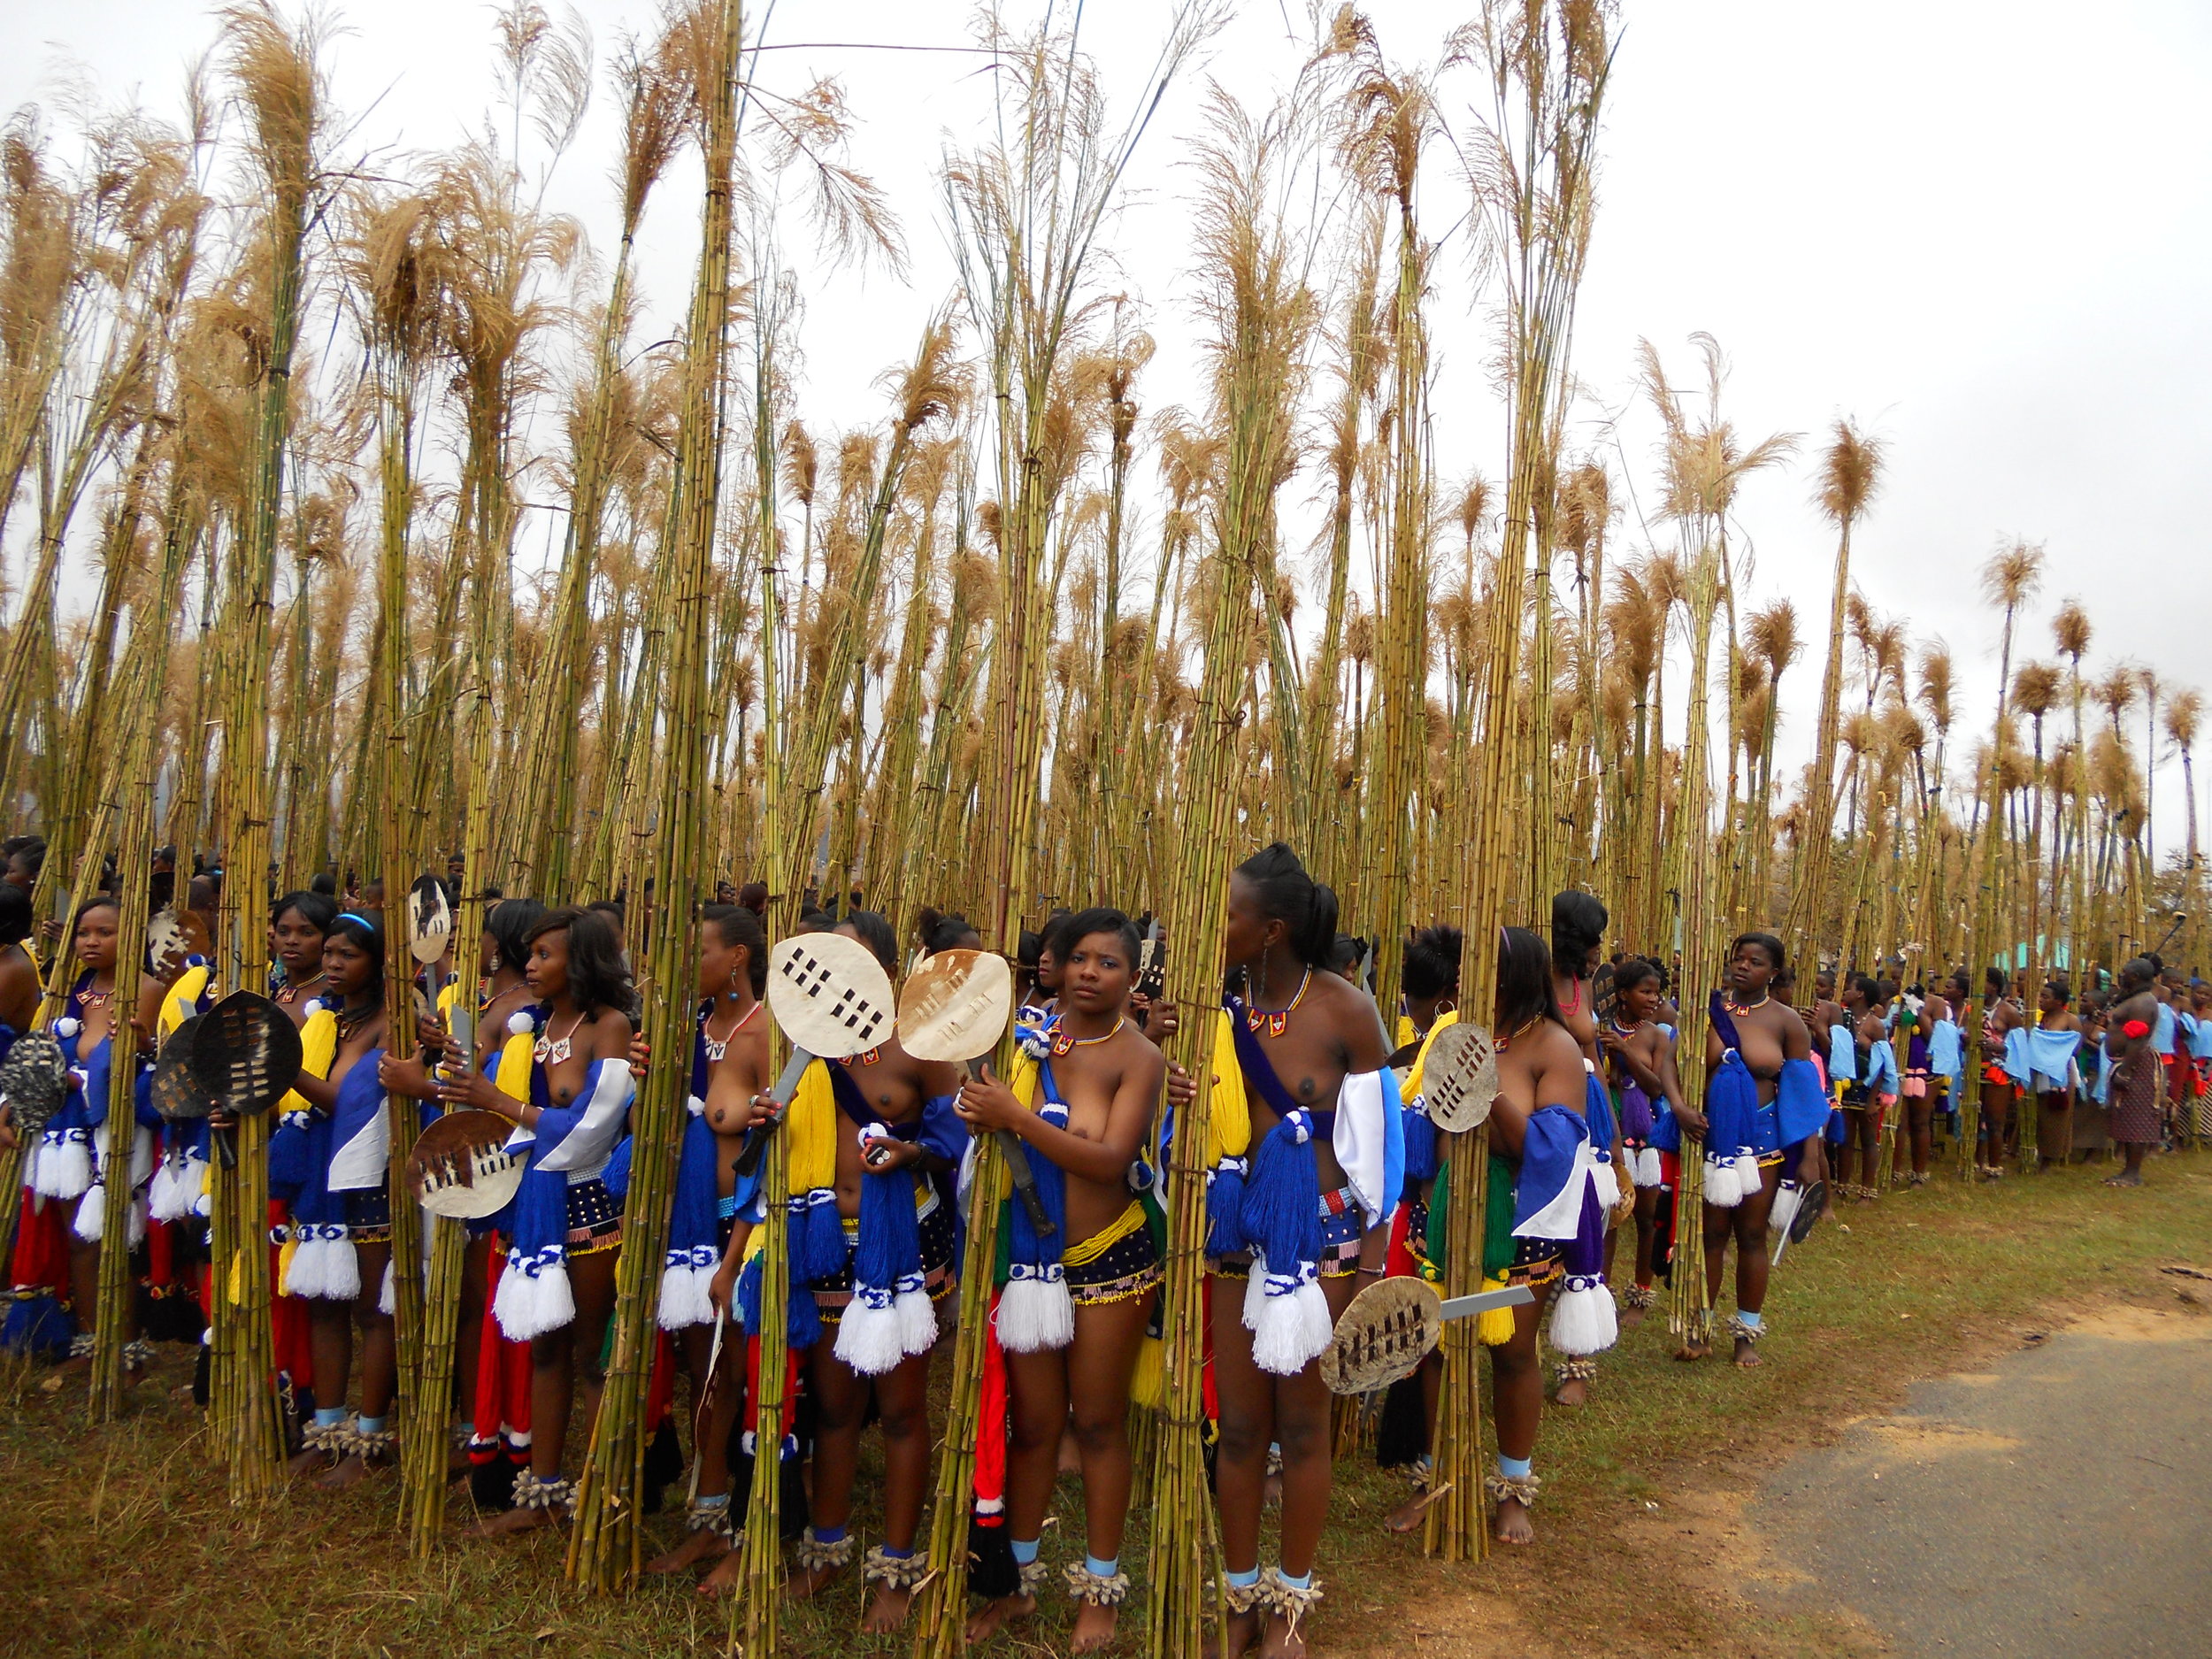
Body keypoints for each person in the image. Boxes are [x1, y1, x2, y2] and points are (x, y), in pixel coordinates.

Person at [727, 909, 962, 1631]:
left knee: (898, 1411)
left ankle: (895, 1568)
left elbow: (956, 1129)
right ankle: (826, 1549)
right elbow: (742, 1122)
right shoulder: (791, 1046)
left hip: (902, 1244)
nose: (837, 972)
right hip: (821, 1241)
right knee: (832, 1405)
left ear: (887, 970)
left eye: (854, 958)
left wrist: (913, 1151)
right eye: (824, 958)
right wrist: (764, 1119)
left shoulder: (919, 1042)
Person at [955, 908, 1165, 1651]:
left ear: (1132, 978)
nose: (1088, 972)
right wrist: (984, 1109)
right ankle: (1014, 1581)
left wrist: (1017, 1114)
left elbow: (1110, 1159)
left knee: (1100, 1424)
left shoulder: (1138, 1058)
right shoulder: (1022, 1035)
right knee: (1037, 1425)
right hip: (1026, 1260)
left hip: (1111, 1259)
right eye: (1078, 957)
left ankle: (1100, 1587)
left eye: (1108, 962)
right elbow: (980, 1115)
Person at [1202, 843, 1397, 1648]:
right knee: (1242, 1427)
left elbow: (1379, 1148)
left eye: (1231, 914)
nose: (1219, 926)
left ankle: (1291, 1605)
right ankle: (1240, 1598)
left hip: (1324, 1247)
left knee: (1306, 1428)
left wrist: (1376, 1268)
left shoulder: (1348, 1010)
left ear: (1271, 928)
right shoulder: (1213, 1010)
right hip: (1236, 1238)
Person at [438, 905, 635, 1531]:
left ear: (581, 961)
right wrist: (469, 1078)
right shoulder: (530, 1028)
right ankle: (542, 1493)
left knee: (591, 1355)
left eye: (545, 954)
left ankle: (604, 1492)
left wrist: (498, 1099)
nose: (530, 963)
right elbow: (496, 1119)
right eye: (531, 952)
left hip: (590, 1211)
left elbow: (590, 1131)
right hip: (529, 1208)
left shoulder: (611, 1026)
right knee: (543, 1350)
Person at [650, 904, 772, 1583]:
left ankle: (747, 1523)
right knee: (706, 1371)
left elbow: (775, 1152)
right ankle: (709, 1511)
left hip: (744, 1226)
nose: (686, 961)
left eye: (699, 950)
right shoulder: (687, 1029)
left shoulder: (767, 1037)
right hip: (688, 1223)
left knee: (743, 1375)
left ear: (738, 959)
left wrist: (736, 1252)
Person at [277, 911, 396, 1487]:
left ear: (377, 963)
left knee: (373, 1310)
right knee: (324, 1301)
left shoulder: (391, 1025)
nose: (330, 963)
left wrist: (286, 1068)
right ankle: (325, 1428)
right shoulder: (324, 1020)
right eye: (329, 952)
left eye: (346, 954)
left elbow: (347, 1102)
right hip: (320, 1179)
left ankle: (370, 1435)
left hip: (372, 1181)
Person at [1681, 933, 1820, 1366]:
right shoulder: (1706, 1013)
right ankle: (1701, 1329)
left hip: (1763, 1143)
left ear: (1773, 972)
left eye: (1755, 962)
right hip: (1710, 1138)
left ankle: (1746, 1333)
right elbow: (1671, 1062)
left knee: (1752, 1236)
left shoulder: (1787, 1022)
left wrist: (1810, 1158)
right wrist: (1682, 1110)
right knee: (1712, 1235)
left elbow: (1802, 1095)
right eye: (1737, 959)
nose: (1743, 967)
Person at [1548, 891, 1630, 1407]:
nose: (1600, 950)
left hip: (1586, 1121)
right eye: (1592, 939)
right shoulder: (1525, 977)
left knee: (1588, 1233)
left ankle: (1578, 1360)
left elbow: (1592, 1059)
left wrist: (1614, 1142)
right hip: (1537, 1126)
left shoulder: (1582, 986)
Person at [1597, 957, 1684, 1326]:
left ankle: (1640, 1290)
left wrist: (1626, 1050)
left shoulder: (1656, 1036)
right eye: (1644, 991)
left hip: (1645, 1136)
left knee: (1646, 1217)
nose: (1653, 999)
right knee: (1609, 1217)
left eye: (1656, 992)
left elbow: (1655, 1086)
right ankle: (1600, 1289)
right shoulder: (1597, 1029)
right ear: (1621, 995)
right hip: (1607, 1128)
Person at [2101, 957, 2163, 1187]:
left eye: (2124, 972)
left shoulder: (2144, 1002)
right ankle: (2127, 1170)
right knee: (2126, 1116)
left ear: (2135, 976)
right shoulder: (2134, 998)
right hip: (2127, 1062)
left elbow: (2137, 1038)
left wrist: (2126, 1070)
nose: (2120, 975)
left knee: (2137, 1117)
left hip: (2136, 1063)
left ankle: (2133, 1173)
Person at [2028, 978, 2083, 1171]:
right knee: (2040, 1113)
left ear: (2059, 1001)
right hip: (2039, 1070)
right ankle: (2037, 1151)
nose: (2040, 1000)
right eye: (2040, 996)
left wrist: (2054, 1054)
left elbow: (2077, 1047)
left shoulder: (2070, 1020)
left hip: (2061, 1073)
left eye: (2045, 997)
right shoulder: (2041, 1018)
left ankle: (2050, 1159)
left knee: (2056, 1115)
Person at [1977, 966, 2026, 1179]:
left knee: (1995, 1121)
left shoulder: (2009, 1012)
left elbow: (2020, 1047)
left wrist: (1997, 1046)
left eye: (1983, 982)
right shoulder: (1973, 1008)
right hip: (1974, 1069)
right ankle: (1976, 1163)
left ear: (1995, 986)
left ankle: (1994, 1167)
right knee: (1975, 1117)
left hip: (1999, 1072)